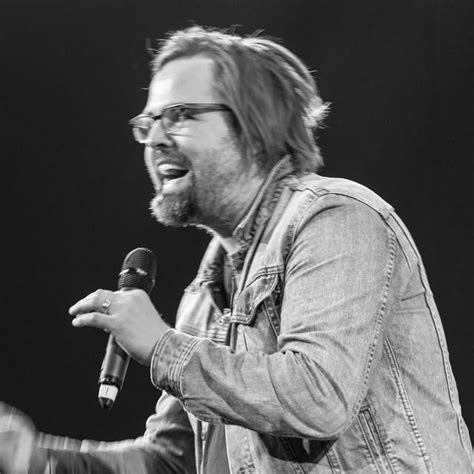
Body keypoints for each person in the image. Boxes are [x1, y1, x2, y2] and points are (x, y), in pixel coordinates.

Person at [0, 25, 471, 473]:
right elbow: (175, 461)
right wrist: (38, 460)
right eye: (149, 123)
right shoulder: (204, 296)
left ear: (252, 126)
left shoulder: (336, 217)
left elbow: (318, 395)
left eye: (180, 115)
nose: (156, 139)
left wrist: (162, 346)